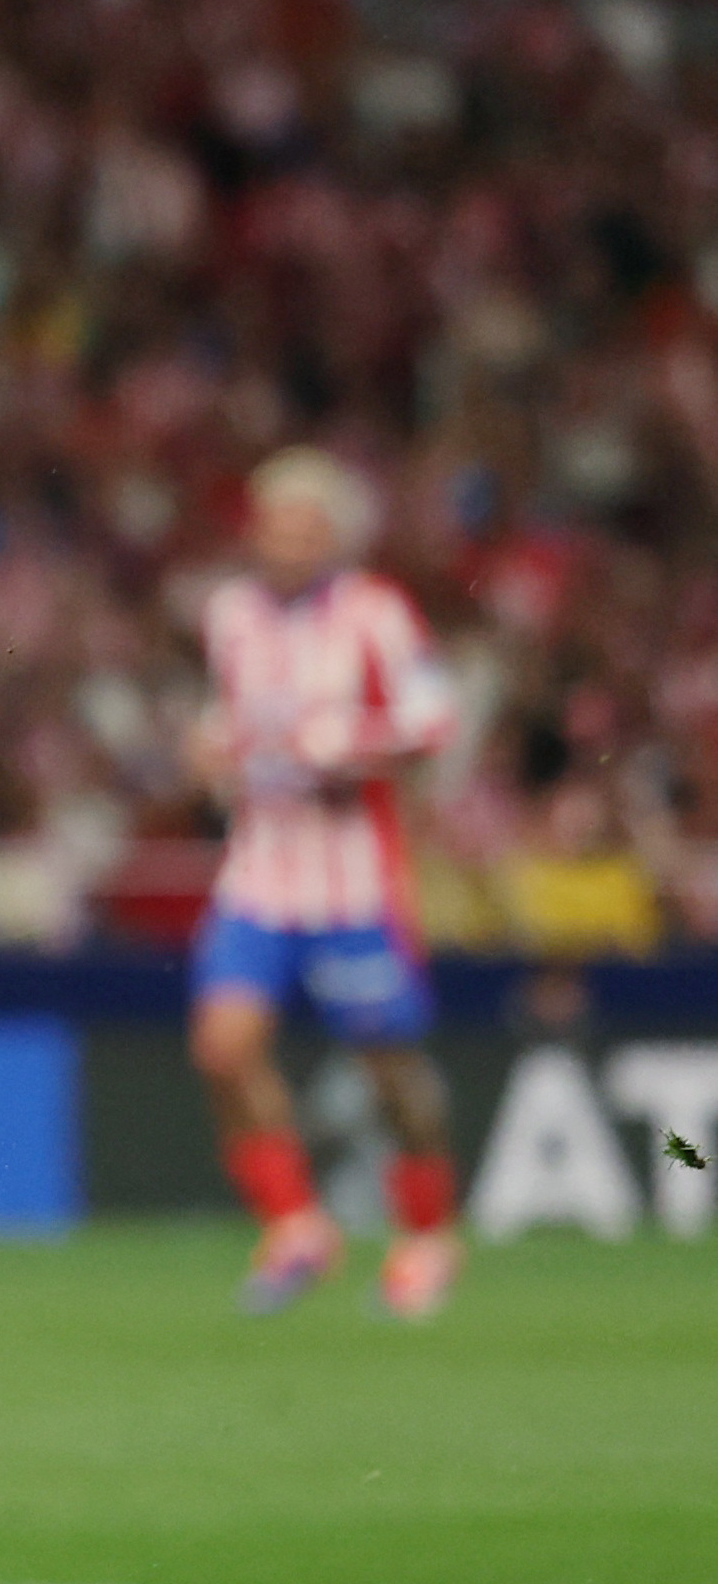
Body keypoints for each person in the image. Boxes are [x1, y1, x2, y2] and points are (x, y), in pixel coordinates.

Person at [186, 447, 464, 1317]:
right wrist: (207, 746)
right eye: (275, 526)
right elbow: (227, 718)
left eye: (306, 529)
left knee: (386, 1065)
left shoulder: (376, 616)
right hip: (259, 874)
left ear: (334, 537)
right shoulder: (228, 614)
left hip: (349, 880)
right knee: (222, 1047)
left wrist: (344, 748)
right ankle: (297, 1224)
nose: (288, 543)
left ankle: (425, 1235)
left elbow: (431, 722)